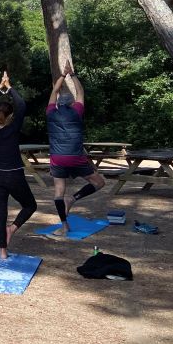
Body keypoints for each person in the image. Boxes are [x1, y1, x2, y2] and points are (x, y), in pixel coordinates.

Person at [47, 63, 105, 235]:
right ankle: (73, 199)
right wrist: (72, 74)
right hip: (76, 158)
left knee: (58, 193)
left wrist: (61, 76)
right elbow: (81, 92)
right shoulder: (77, 111)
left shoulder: (51, 112)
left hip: (57, 158)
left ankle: (64, 226)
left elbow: (54, 92)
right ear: (72, 103)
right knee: (99, 183)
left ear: (58, 103)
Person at [0, 71, 37, 259]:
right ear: (11, 115)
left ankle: (2, 252)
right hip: (13, 175)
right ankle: (12, 229)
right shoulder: (13, 127)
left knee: (1, 212)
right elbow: (22, 105)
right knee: (30, 205)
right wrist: (10, 87)